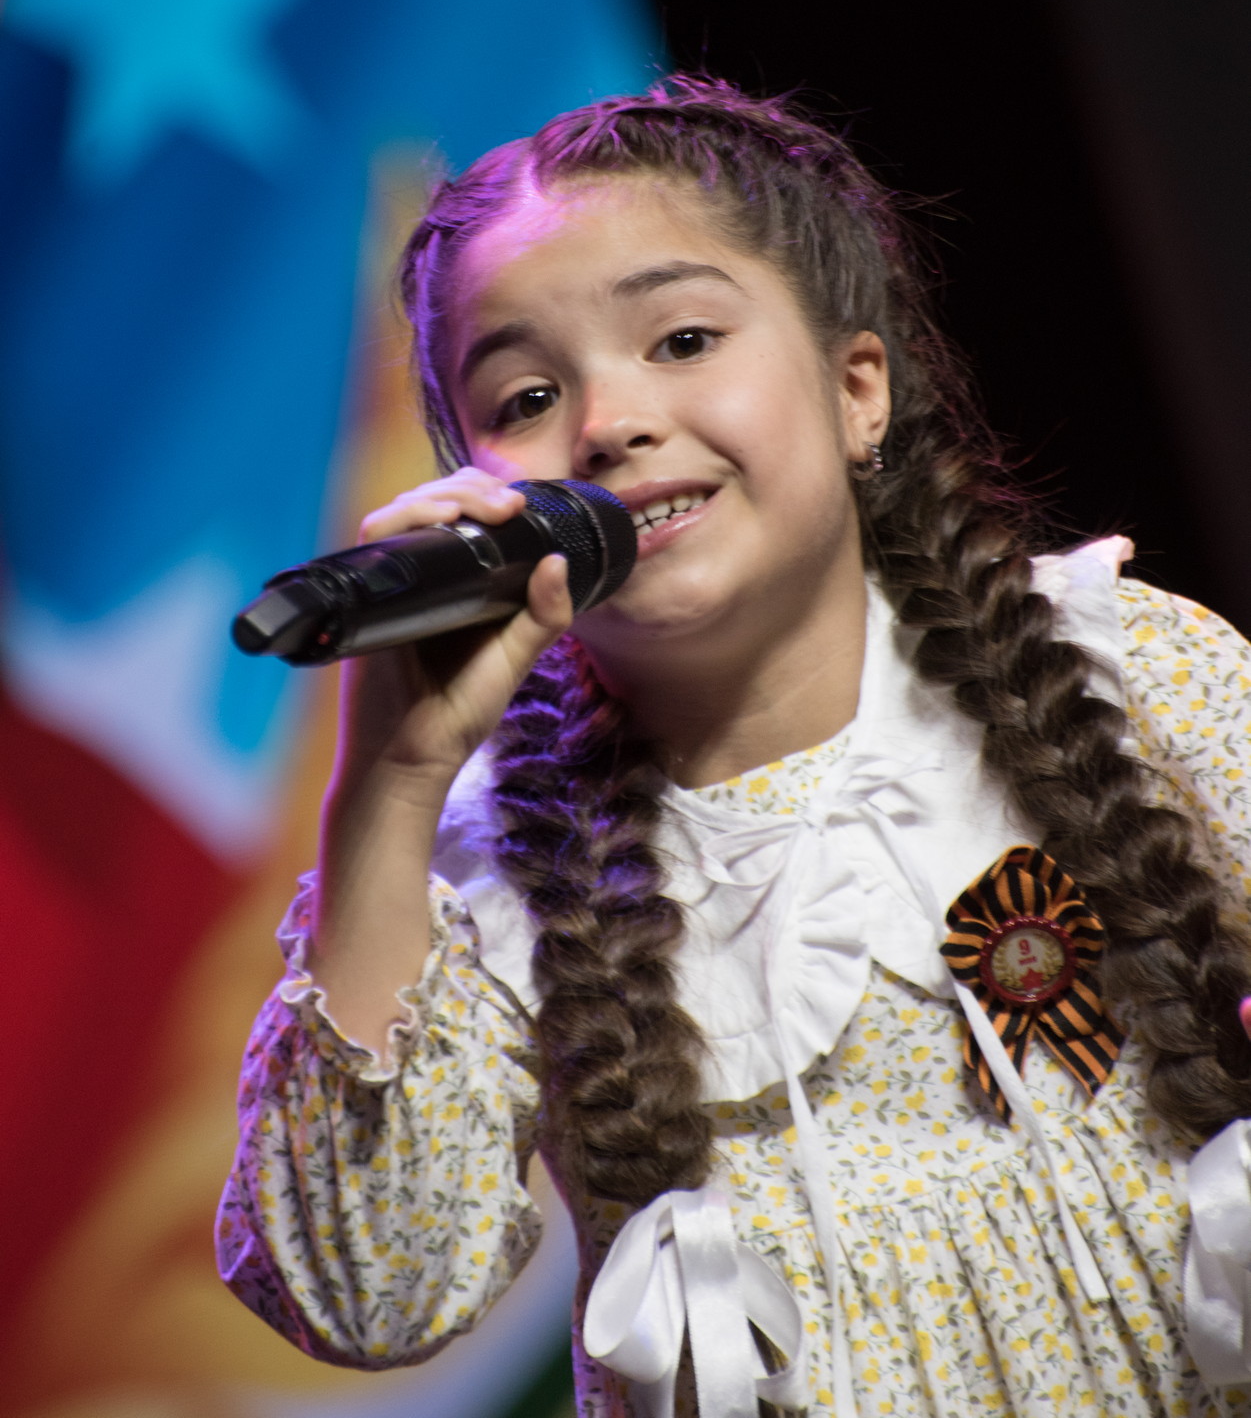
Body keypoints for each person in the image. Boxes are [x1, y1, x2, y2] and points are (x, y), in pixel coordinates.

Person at [216, 76, 1251, 1416]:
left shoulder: (1123, 669)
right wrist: (391, 784)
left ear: (858, 389)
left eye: (685, 338)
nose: (608, 422)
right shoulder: (484, 884)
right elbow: (369, 1295)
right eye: (527, 397)